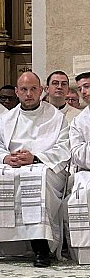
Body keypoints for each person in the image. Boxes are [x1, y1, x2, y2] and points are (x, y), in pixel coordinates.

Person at [0, 72, 70, 268]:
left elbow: (63, 147)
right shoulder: (6, 118)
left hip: (43, 167)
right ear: (17, 92)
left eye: (33, 89)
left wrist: (35, 157)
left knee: (37, 176)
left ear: (41, 91)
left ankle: (41, 246)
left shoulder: (55, 117)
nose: (29, 94)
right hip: (11, 165)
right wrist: (5, 157)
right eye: (24, 90)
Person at [65, 72, 90, 261]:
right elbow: (77, 153)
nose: (83, 92)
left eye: (87, 86)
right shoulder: (78, 121)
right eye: (80, 88)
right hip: (87, 172)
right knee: (83, 193)